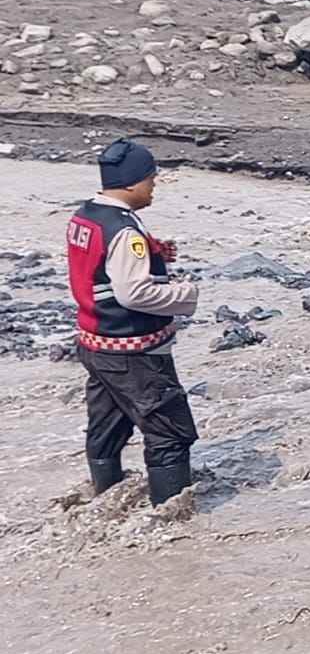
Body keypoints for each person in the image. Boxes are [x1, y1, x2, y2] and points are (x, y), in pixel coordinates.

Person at [67, 138, 201, 506]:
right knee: (170, 433)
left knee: (106, 430)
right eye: (150, 180)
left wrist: (153, 249)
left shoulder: (86, 215)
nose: (154, 186)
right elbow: (133, 294)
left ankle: (105, 498)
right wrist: (185, 296)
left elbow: (99, 264)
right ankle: (173, 526)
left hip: (95, 343)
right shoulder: (125, 231)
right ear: (131, 183)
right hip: (134, 353)